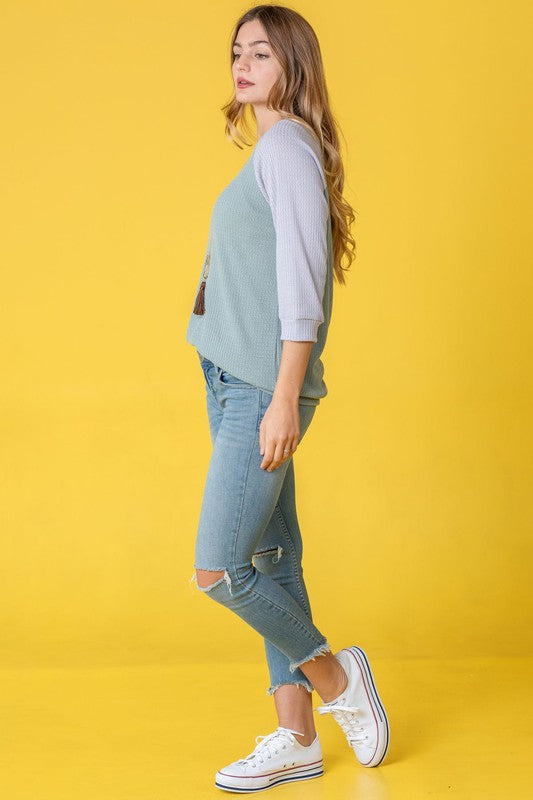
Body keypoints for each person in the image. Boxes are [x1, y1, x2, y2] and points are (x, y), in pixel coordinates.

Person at [185, 5, 390, 792]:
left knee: (220, 569)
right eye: (236, 51)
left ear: (292, 64)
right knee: (275, 557)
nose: (241, 64)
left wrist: (280, 399)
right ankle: (296, 739)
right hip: (232, 377)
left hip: (258, 388)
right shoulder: (270, 149)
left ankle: (335, 680)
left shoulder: (287, 150)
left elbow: (303, 291)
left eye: (260, 52)